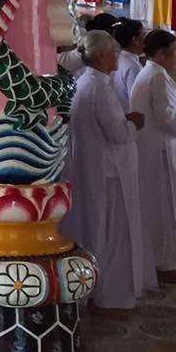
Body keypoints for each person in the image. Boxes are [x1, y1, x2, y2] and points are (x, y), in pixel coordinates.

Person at [62, 29, 147, 315]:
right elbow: (118, 133)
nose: (116, 59)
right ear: (100, 56)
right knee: (109, 234)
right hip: (106, 171)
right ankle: (109, 297)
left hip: (91, 166)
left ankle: (98, 292)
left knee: (96, 229)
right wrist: (134, 122)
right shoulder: (98, 87)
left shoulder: (85, 82)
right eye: (112, 54)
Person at [129, 29, 176, 286]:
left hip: (155, 149)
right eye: (174, 52)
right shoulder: (156, 77)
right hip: (160, 150)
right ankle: (165, 261)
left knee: (160, 206)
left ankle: (162, 259)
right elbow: (167, 117)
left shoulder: (153, 74)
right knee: (165, 207)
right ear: (162, 54)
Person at [111, 19, 144, 111]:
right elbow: (136, 101)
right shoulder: (133, 66)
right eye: (144, 34)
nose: (146, 40)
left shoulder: (119, 58)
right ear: (135, 40)